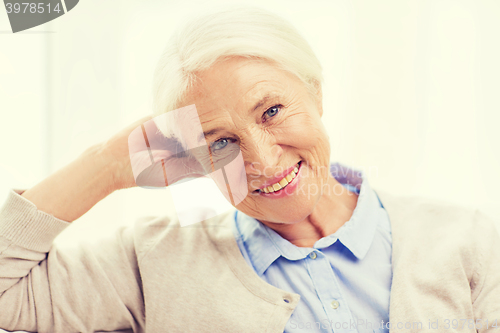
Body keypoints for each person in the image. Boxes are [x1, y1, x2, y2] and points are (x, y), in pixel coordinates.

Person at [0, 6, 499, 333]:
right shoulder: (153, 262)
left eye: (273, 111)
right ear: (190, 158)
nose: (262, 160)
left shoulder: (466, 240)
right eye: (220, 142)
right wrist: (107, 163)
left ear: (315, 93)